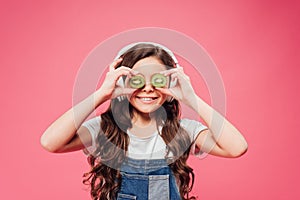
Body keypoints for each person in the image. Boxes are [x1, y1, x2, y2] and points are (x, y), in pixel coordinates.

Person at [40, 42, 248, 200]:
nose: (147, 88)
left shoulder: (183, 132)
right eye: (137, 80)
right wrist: (102, 94)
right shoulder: (105, 130)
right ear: (122, 81)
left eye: (157, 79)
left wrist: (191, 98)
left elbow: (237, 147)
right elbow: (50, 142)